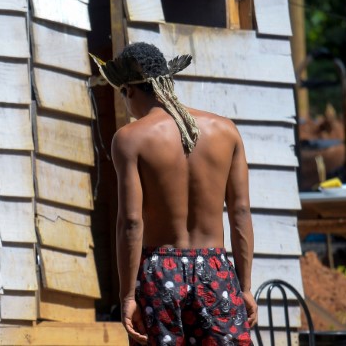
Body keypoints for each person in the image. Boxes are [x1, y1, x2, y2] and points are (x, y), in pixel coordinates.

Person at [90, 42, 257, 346]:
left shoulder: (130, 139)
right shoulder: (226, 130)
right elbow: (240, 213)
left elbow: (131, 222)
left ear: (128, 90)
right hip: (216, 270)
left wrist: (128, 295)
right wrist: (244, 287)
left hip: (159, 270)